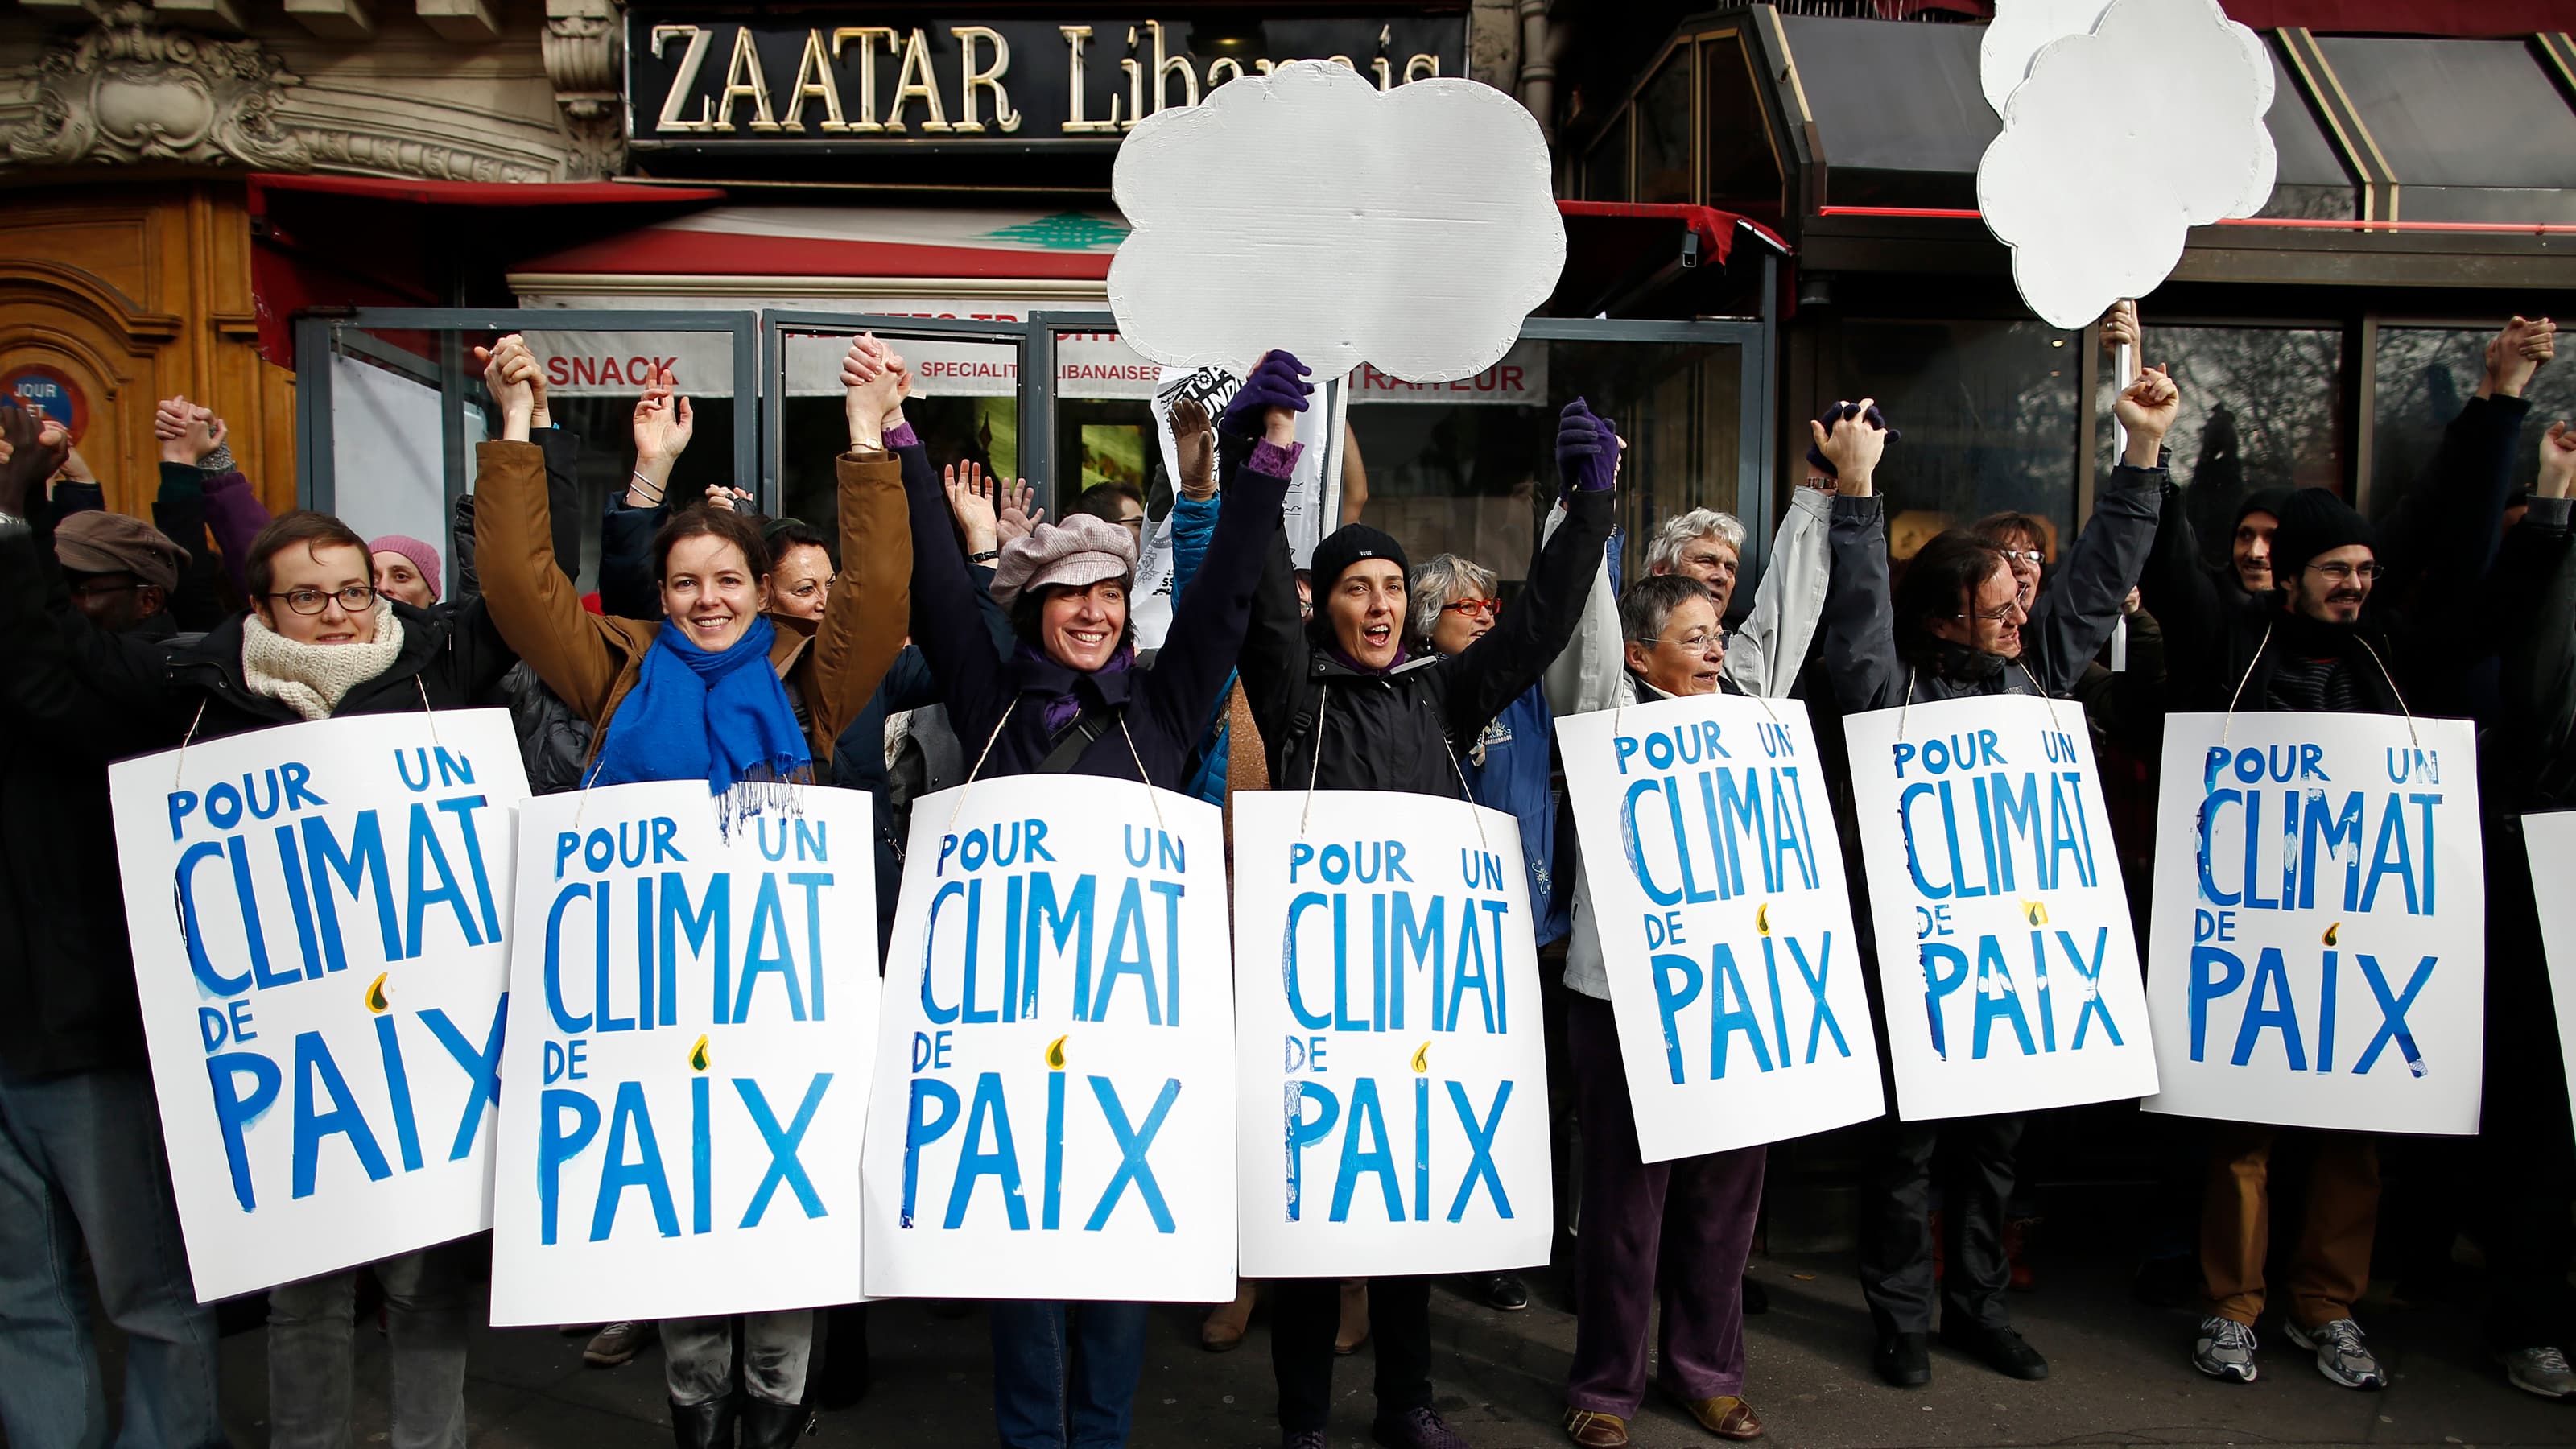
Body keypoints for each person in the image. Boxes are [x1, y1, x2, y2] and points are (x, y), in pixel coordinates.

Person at [1, 400, 528, 1449]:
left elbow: (518, 590)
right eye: (307, 598)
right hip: (290, 1077)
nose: (335, 615)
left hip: (419, 1057)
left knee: (425, 1291)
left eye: (351, 592)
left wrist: (520, 431)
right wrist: (27, 521)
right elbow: (56, 660)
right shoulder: (204, 694)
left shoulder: (435, 674)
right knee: (306, 1297)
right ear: (262, 607)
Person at [474, 330, 911, 1447]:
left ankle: (777, 1409)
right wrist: (518, 433)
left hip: (780, 1018)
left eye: (727, 580)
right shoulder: (615, 666)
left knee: (779, 1229)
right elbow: (522, 591)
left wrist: (865, 445)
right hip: (648, 1016)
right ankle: (694, 1411)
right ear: (659, 593)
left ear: (761, 589)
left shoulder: (804, 683)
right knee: (675, 1224)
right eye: (685, 583)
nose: (707, 600)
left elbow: (884, 597)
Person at [889, 341, 1305, 1447]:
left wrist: (1264, 459)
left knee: (1118, 1278)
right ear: (1033, 610)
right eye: (1071, 597)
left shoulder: (1161, 716)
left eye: (1111, 596)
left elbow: (1221, 609)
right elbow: (936, 590)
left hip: (1131, 1055)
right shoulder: (987, 707)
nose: (1094, 615)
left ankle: (1105, 1436)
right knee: (1026, 1287)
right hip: (1013, 1058)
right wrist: (897, 445)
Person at [2143, 316, 2551, 1393]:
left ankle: (2328, 1307)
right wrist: (2149, 456)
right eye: (2338, 569)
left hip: (2362, 959)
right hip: (2258, 957)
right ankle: (2231, 1306)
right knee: (2245, 1142)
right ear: (2292, 574)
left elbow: (2470, 559)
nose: (2358, 586)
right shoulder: (2233, 643)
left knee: (2352, 1145)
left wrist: (2514, 434)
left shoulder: (2395, 657)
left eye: (2370, 569)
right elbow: (2172, 564)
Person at [1241, 396, 1620, 1449]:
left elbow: (1542, 620)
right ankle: (1305, 1421)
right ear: (1324, 604)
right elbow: (1261, 593)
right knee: (1317, 1235)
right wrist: (1261, 469)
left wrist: (1589, 506)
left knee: (1411, 1223)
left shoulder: (1440, 693)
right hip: (1315, 1003)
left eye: (1394, 588)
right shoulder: (1292, 694)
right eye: (1356, 588)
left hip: (1415, 1002)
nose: (1377, 606)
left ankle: (1409, 1403)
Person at [1820, 364, 2178, 1390]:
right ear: (1941, 622)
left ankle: (1978, 1308)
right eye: (1995, 608)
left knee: (1994, 1155)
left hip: (2017, 970)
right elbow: (1853, 615)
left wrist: (2140, 455)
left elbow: (2099, 580)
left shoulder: (2039, 678)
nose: (2020, 617)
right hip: (1916, 969)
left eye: (2019, 604)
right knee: (1908, 1156)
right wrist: (1855, 495)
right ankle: (1900, 1321)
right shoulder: (1891, 692)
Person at [0, 402, 228, 1449]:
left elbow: (49, 671)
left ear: (135, 598)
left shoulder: (145, 682)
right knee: (23, 1298)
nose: (60, 594)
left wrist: (16, 522)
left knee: (145, 1289)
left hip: (90, 1042)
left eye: (77, 582)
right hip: (22, 1030)